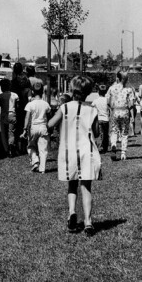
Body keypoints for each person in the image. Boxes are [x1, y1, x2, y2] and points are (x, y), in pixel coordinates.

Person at [47, 75, 100, 236]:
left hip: (69, 151)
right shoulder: (92, 110)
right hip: (87, 151)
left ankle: (71, 212)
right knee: (86, 186)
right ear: (88, 92)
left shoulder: (64, 108)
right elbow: (96, 133)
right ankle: (88, 222)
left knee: (72, 184)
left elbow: (50, 124)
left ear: (72, 89)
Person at [106, 71, 135, 160]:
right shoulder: (129, 89)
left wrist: (111, 108)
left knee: (114, 130)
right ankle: (123, 153)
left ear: (117, 78)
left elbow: (107, 101)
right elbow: (131, 104)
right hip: (125, 111)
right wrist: (132, 116)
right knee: (124, 132)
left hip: (115, 111)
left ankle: (114, 144)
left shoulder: (111, 88)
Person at [23, 81, 51, 173]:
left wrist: (24, 129)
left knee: (31, 146)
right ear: (43, 92)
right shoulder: (45, 104)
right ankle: (42, 169)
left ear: (33, 92)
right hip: (43, 127)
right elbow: (49, 114)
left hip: (33, 127)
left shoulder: (30, 104)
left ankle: (35, 161)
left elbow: (27, 117)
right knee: (43, 149)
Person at [0, 78, 19, 158]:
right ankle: (12, 148)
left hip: (4, 116)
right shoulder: (15, 95)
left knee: (4, 133)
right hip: (13, 115)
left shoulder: (1, 96)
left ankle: (6, 150)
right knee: (11, 132)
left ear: (1, 87)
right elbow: (18, 106)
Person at [11, 63, 32, 155]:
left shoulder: (14, 81)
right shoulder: (26, 80)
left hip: (17, 106)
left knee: (17, 127)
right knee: (25, 126)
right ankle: (24, 146)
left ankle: (18, 146)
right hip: (26, 105)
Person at [91, 85, 109, 153]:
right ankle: (105, 147)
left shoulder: (96, 100)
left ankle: (99, 146)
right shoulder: (107, 100)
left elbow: (92, 107)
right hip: (106, 119)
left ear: (98, 92)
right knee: (106, 134)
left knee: (99, 134)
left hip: (99, 119)